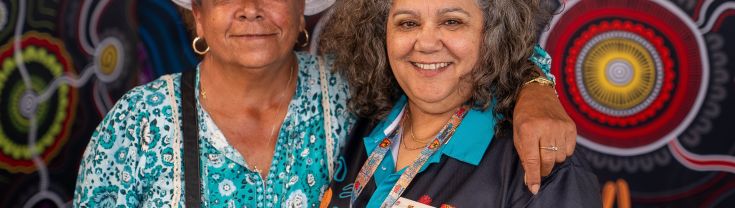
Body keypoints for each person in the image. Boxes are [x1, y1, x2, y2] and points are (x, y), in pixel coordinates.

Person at [73, 0, 577, 207]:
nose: (251, 9)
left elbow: (463, 49)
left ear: (301, 18)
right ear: (197, 20)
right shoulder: (137, 124)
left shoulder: (349, 88)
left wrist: (536, 87)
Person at [319, 0, 600, 207]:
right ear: (382, 34)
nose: (426, 42)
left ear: (492, 34)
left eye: (452, 21)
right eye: (408, 23)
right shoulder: (358, 125)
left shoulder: (541, 164)